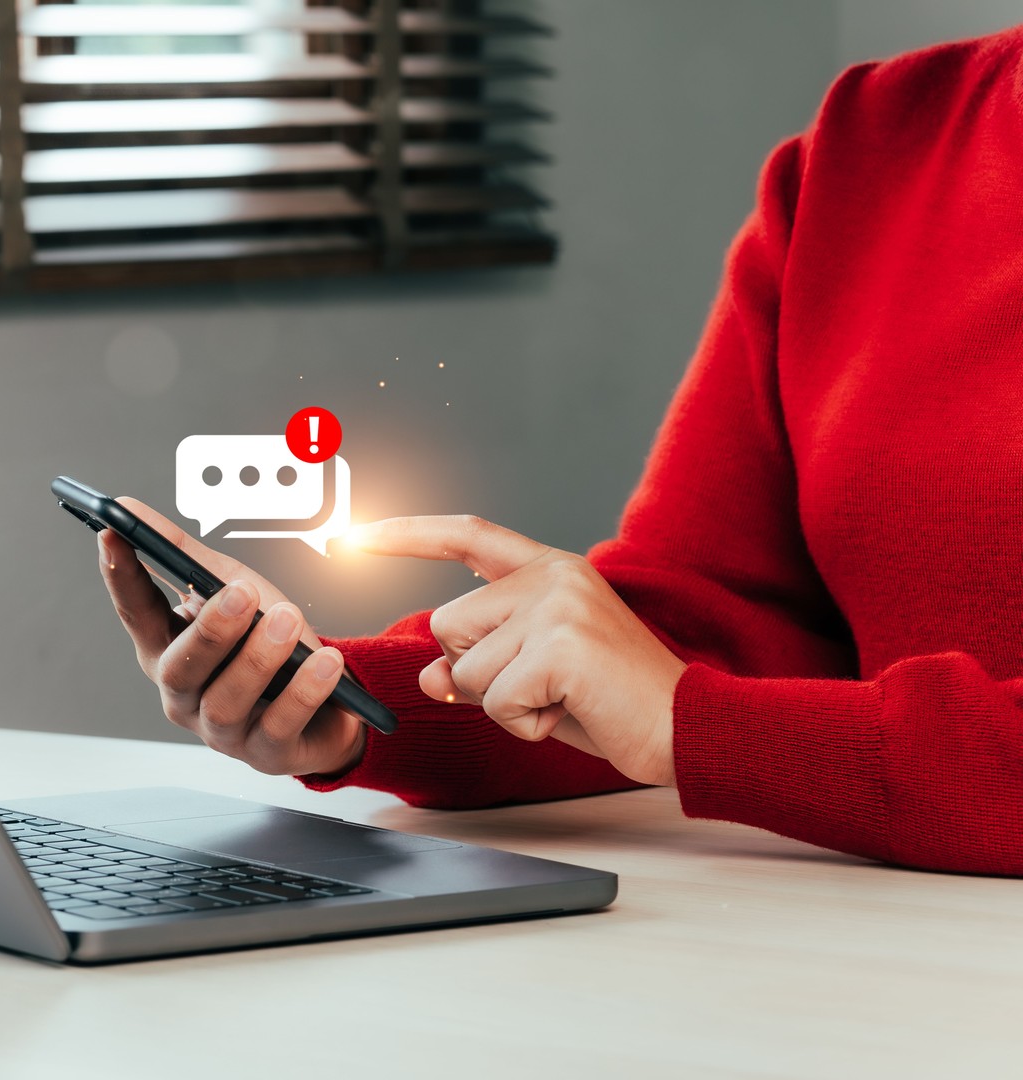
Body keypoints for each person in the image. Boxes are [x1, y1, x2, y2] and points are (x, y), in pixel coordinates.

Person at [96, 28, 1023, 878]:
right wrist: (345, 704)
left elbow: (682, 704)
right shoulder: (870, 145)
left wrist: (694, 727)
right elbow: (715, 624)